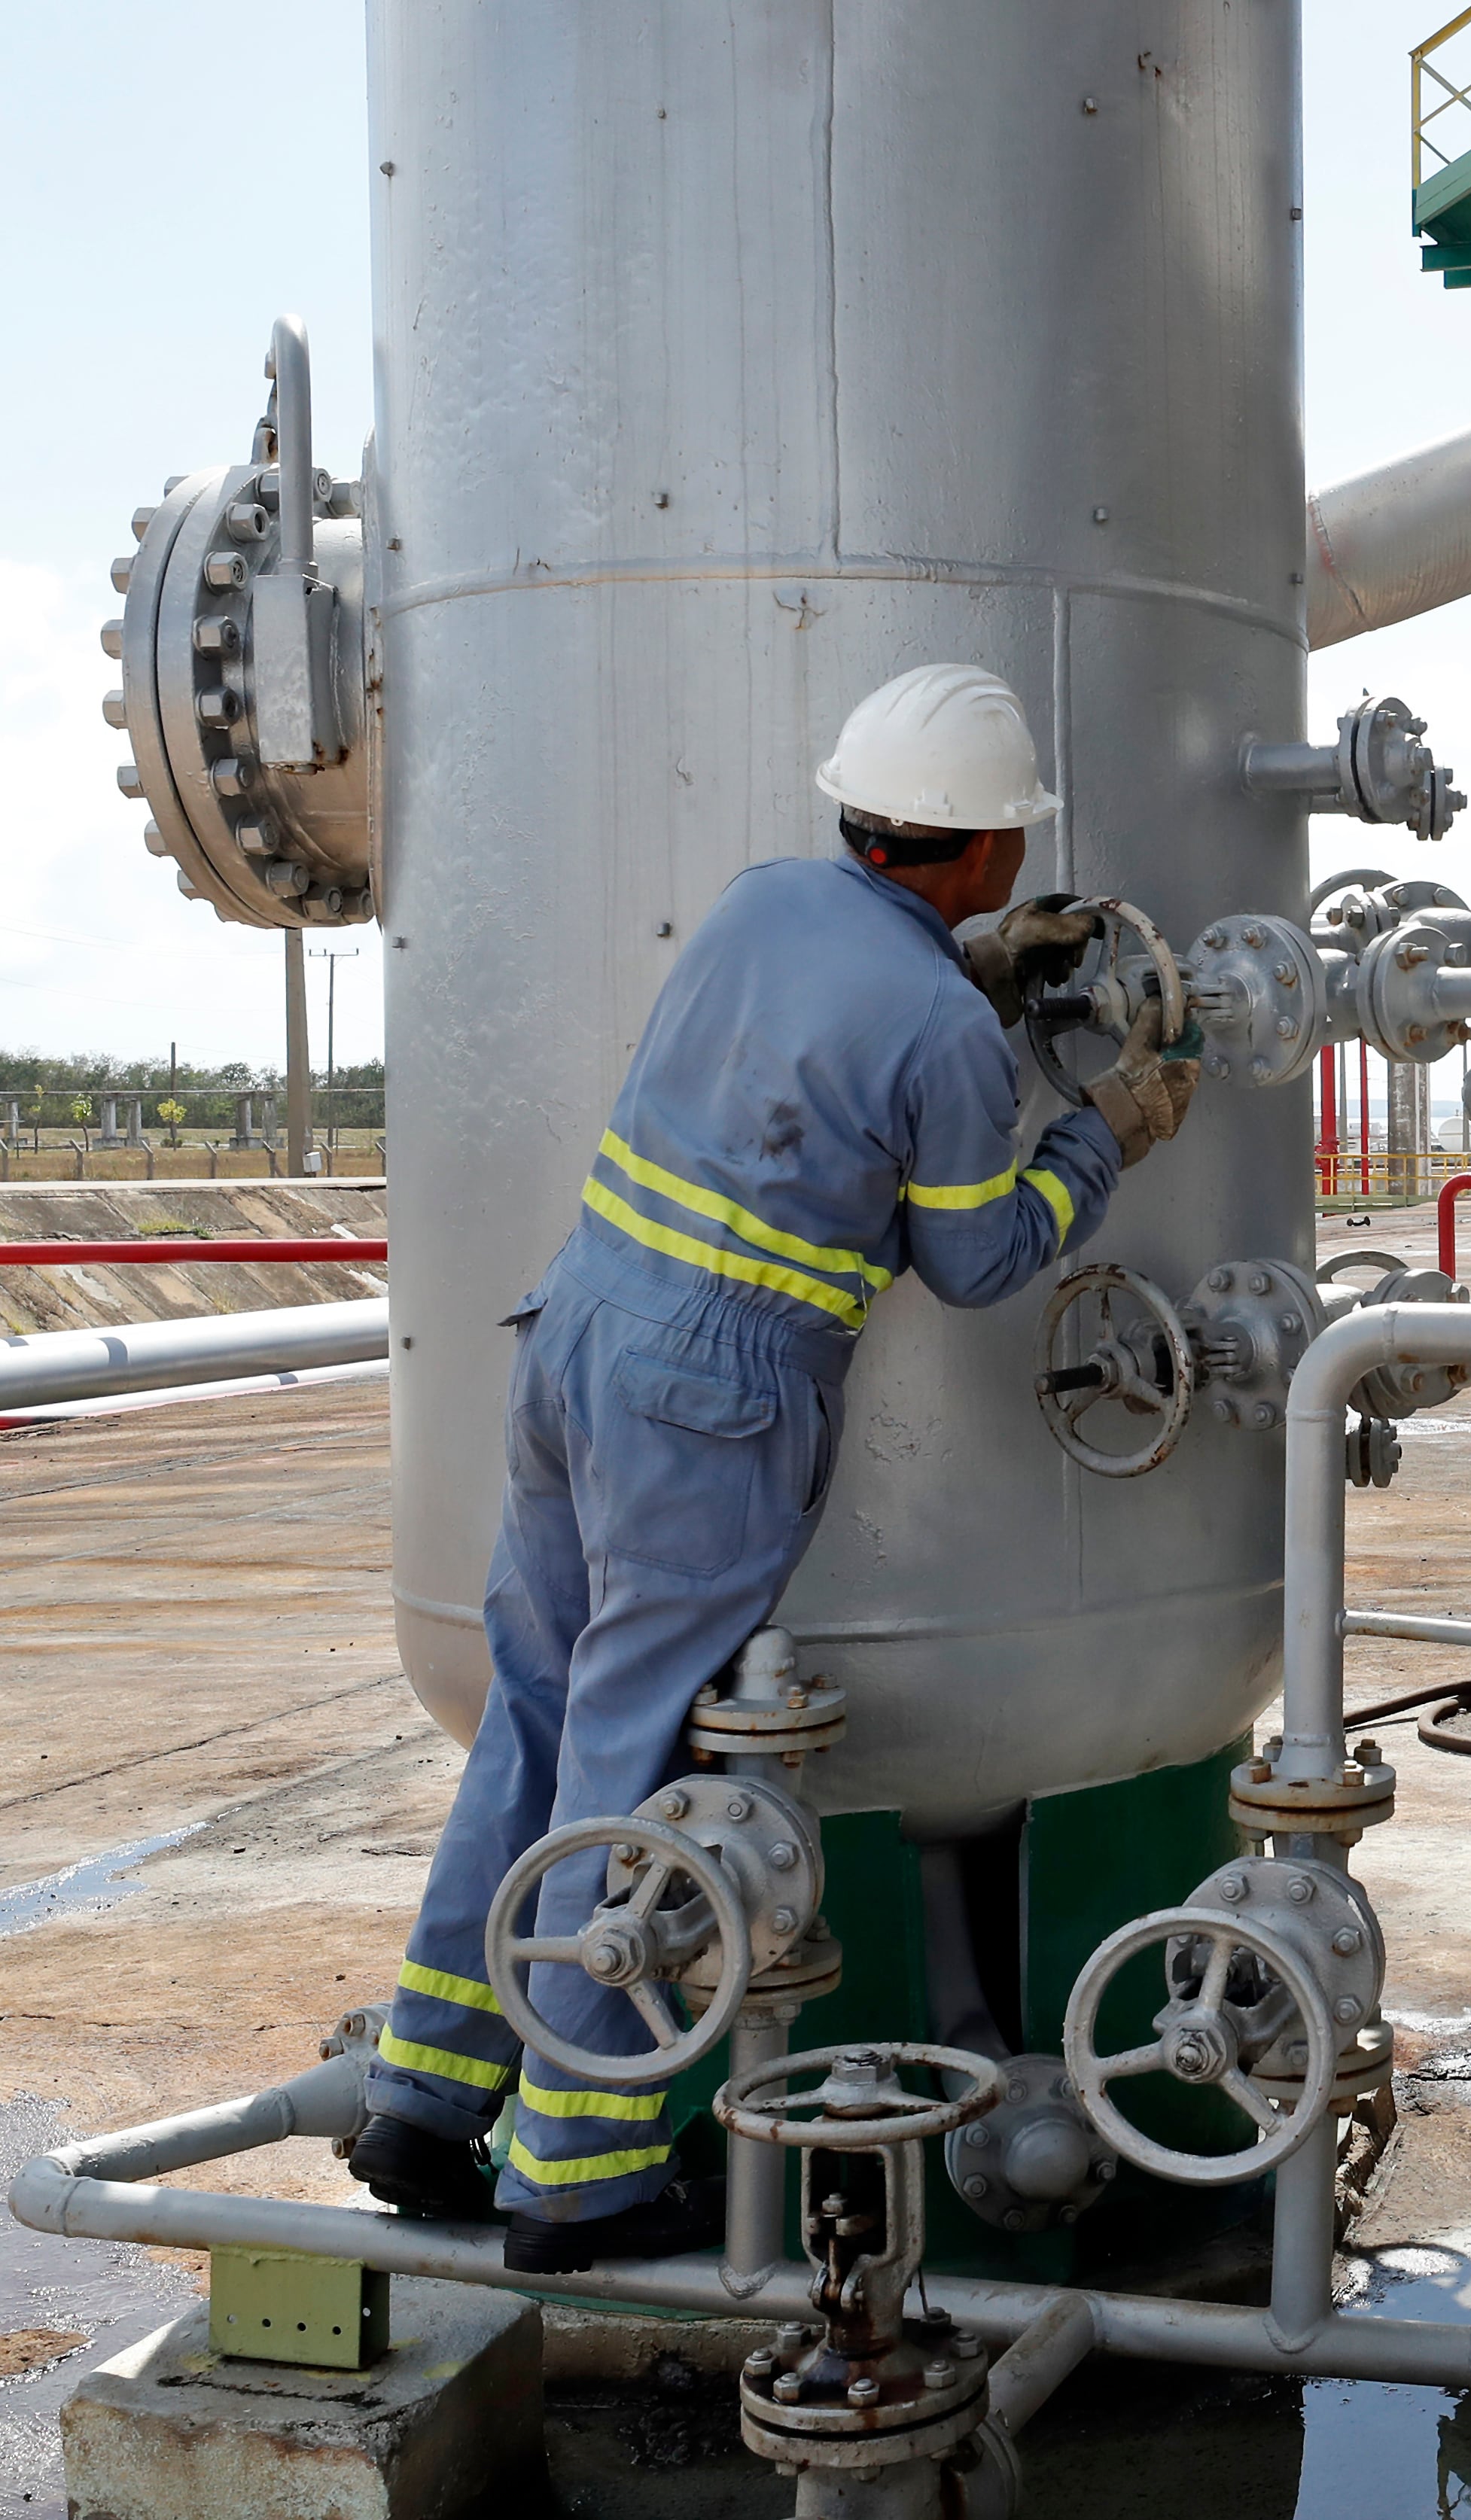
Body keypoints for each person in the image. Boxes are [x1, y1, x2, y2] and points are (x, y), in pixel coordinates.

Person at [350, 663, 1200, 2272]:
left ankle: (429, 2089)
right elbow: (973, 1261)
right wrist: (1109, 1134)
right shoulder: (946, 1034)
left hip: (577, 1331)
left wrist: (966, 966)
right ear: (983, 853)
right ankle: (575, 2177)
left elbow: (824, 1028)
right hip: (710, 1399)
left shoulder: (755, 907)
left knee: (533, 1711)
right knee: (626, 1754)